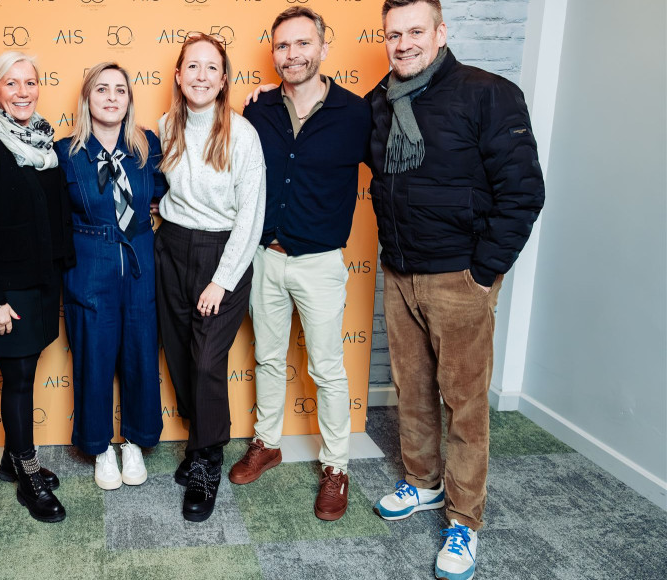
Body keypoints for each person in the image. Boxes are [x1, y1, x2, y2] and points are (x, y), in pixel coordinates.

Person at [366, 1, 544, 579]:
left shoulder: (488, 93)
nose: (404, 43)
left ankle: (464, 521)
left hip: (459, 278)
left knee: (464, 405)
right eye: (394, 34)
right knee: (411, 390)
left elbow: (523, 191)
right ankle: (422, 481)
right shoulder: (380, 101)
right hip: (399, 273)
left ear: (440, 33)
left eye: (416, 31)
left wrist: (483, 271)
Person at [229, 6, 371, 522]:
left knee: (327, 368)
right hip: (265, 257)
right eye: (283, 47)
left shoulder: (357, 114)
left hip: (320, 263)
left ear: (323, 48)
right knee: (267, 356)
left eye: (302, 44)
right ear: (274, 54)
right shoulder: (258, 109)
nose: (292, 55)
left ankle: (336, 467)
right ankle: (267, 442)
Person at [0, 51, 74, 524]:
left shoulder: (42, 141)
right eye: (12, 84)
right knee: (19, 379)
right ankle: (28, 476)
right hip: (7, 289)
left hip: (42, 283)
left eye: (31, 82)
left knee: (26, 373)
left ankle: (10, 459)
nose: (23, 92)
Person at [156, 33, 266, 522]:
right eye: (192, 67)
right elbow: (168, 188)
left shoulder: (241, 134)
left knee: (205, 363)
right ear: (179, 75)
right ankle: (198, 446)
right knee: (179, 356)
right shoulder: (165, 126)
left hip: (223, 254)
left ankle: (207, 459)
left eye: (211, 68)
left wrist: (221, 279)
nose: (201, 76)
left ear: (224, 79)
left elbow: (250, 215)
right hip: (172, 247)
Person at [55, 63, 166, 491]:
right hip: (90, 265)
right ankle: (100, 445)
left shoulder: (146, 146)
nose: (111, 97)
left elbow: (162, 193)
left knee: (140, 355)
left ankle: (135, 442)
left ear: (129, 100)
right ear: (87, 98)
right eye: (102, 89)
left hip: (139, 263)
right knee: (94, 359)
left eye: (120, 90)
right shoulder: (66, 151)